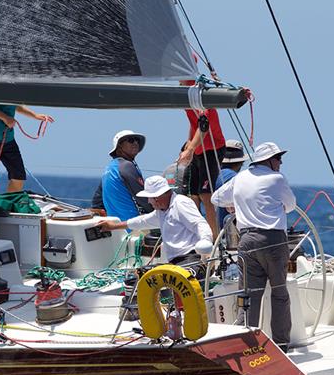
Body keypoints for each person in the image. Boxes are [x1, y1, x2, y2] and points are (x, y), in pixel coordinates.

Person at [211, 142, 296, 351]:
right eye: (278, 158)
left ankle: (246, 343)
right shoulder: (277, 178)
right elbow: (291, 205)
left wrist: (234, 204)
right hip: (273, 241)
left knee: (249, 294)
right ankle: (281, 344)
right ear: (267, 161)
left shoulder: (239, 178)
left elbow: (215, 198)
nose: (281, 162)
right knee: (279, 293)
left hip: (246, 242)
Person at [97, 176, 213, 268]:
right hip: (175, 263)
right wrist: (113, 226)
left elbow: (199, 224)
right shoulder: (161, 211)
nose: (148, 201)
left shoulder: (181, 203)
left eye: (150, 197)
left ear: (157, 197)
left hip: (190, 258)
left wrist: (206, 240)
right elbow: (142, 221)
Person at [178, 91, 226, 236]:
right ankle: (196, 236)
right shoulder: (186, 93)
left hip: (212, 148)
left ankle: (214, 239)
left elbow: (203, 125)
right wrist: (189, 141)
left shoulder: (198, 94)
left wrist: (191, 149)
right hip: (198, 149)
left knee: (206, 195)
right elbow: (193, 123)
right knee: (191, 195)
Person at [95, 130, 153, 221]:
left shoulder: (109, 168)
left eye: (137, 140)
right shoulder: (126, 166)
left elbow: (97, 203)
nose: (135, 143)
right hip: (133, 227)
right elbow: (144, 199)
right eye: (131, 140)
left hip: (116, 227)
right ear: (119, 146)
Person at [213, 140, 250, 230]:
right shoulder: (234, 179)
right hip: (230, 231)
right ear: (241, 163)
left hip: (218, 230)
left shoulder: (214, 175)